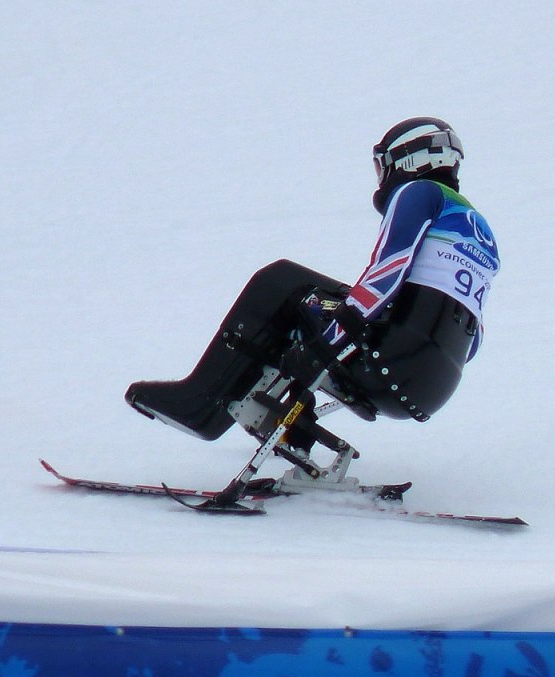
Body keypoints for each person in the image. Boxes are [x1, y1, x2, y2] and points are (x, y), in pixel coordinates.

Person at [126, 117, 499, 459]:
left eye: (382, 164)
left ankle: (200, 402)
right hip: (432, 386)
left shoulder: (420, 193)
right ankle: (294, 430)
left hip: (388, 362)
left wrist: (337, 332)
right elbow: (472, 341)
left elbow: (387, 271)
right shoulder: (482, 235)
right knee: (310, 304)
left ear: (408, 160)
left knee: (281, 282)